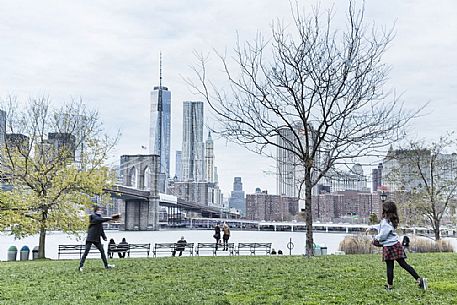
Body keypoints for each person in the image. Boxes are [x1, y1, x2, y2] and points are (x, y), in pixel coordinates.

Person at [370, 201, 427, 291]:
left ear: (385, 210)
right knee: (403, 264)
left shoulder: (385, 221)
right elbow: (382, 226)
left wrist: (375, 238)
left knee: (390, 267)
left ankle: (390, 286)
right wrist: (373, 226)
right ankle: (419, 279)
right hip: (396, 245)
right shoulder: (391, 220)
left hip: (389, 247)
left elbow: (383, 235)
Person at [79, 206, 120, 272]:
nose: (100, 211)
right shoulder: (93, 216)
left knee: (102, 251)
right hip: (91, 237)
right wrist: (110, 218)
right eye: (99, 210)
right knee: (86, 252)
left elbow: (101, 229)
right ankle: (81, 266)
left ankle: (106, 265)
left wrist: (104, 237)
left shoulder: (99, 218)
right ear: (96, 210)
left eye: (100, 210)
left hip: (97, 238)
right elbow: (99, 220)